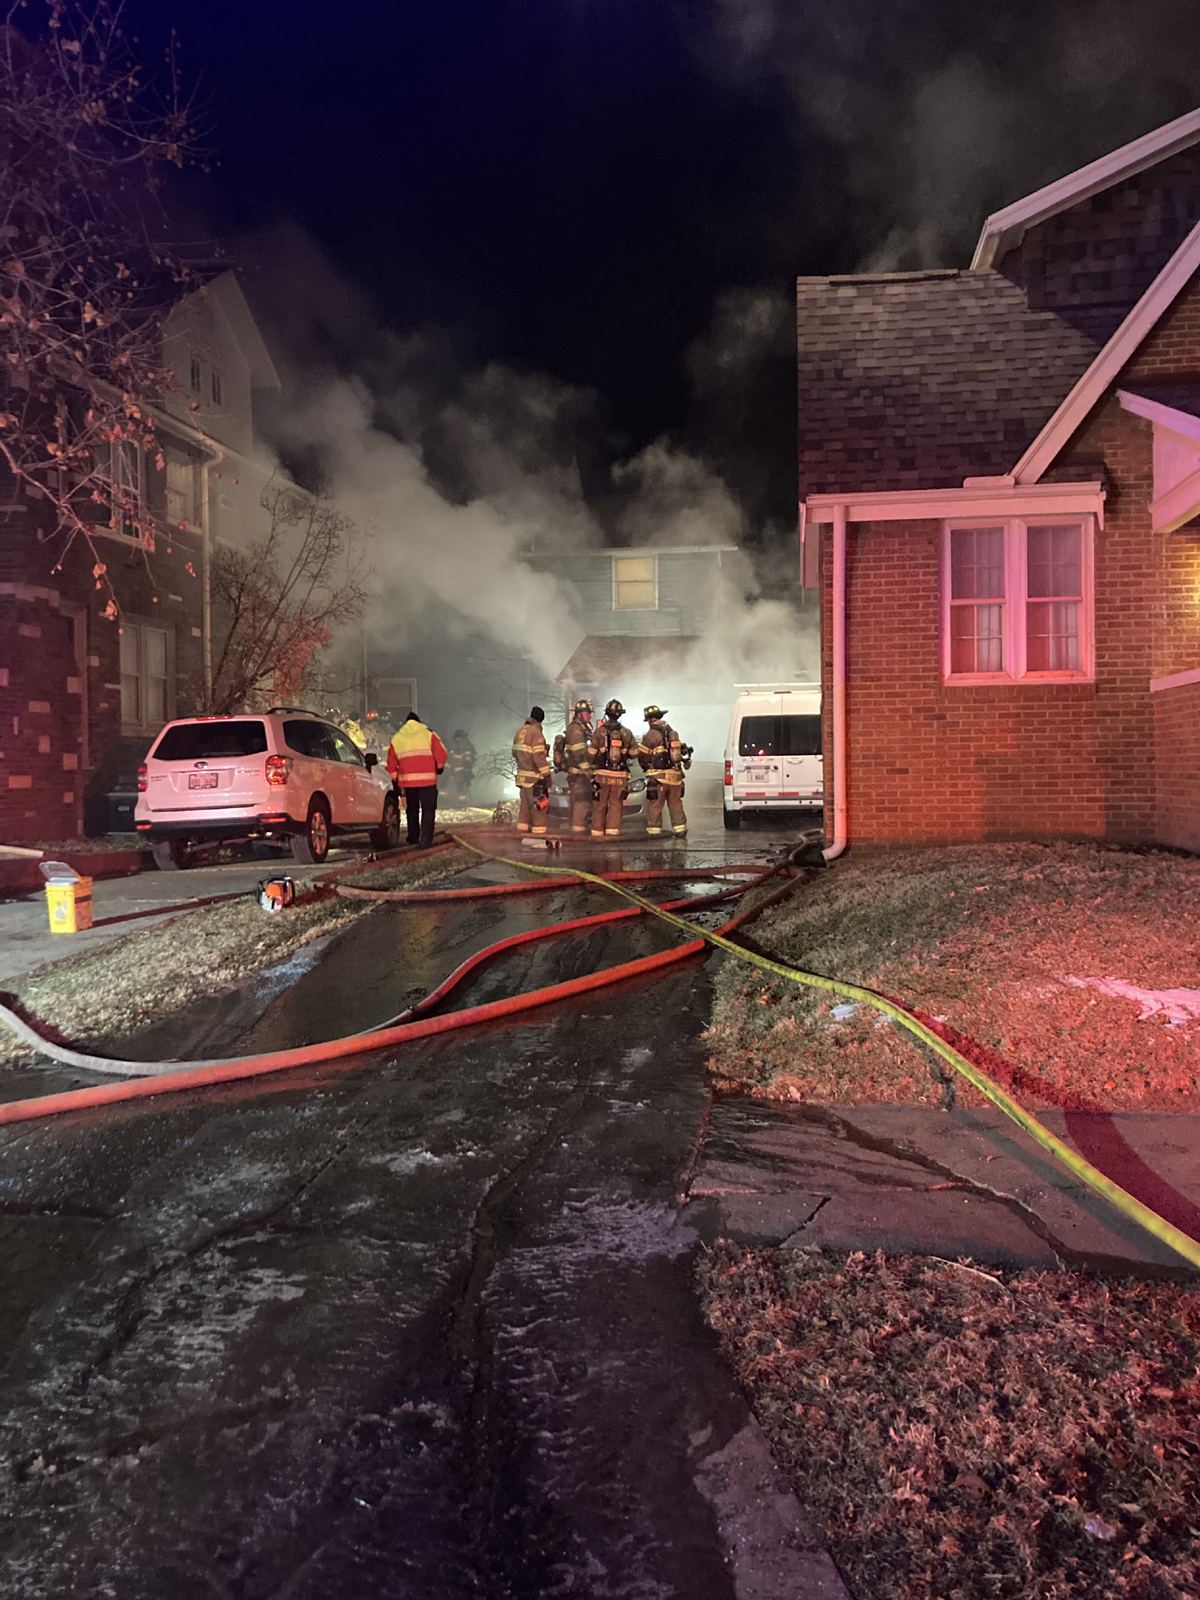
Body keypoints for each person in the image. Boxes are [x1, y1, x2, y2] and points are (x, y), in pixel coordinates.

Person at [387, 711, 447, 848]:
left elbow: (391, 765)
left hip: (408, 783)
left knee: (412, 810)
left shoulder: (397, 738)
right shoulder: (429, 735)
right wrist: (439, 768)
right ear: (419, 723)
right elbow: (441, 755)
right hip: (428, 781)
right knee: (428, 810)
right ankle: (426, 840)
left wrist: (395, 781)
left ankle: (413, 837)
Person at [638, 704, 692, 837]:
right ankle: (680, 830)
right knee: (676, 804)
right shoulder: (672, 733)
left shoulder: (650, 735)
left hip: (659, 779)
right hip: (676, 778)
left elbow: (643, 756)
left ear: (650, 720)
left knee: (655, 805)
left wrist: (644, 765)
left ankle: (654, 832)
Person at [588, 698, 636, 838]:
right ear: (620, 714)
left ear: (607, 714)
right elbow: (635, 753)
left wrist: (591, 766)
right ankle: (612, 833)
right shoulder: (627, 733)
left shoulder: (599, 731)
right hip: (620, 777)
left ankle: (597, 833)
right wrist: (625, 752)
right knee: (616, 805)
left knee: (600, 804)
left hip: (602, 775)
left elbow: (591, 754)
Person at [553, 698, 595, 835]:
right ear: (579, 714)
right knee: (581, 804)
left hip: (579, 774)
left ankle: (575, 830)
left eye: (590, 713)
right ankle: (578, 835)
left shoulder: (582, 729)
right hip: (579, 774)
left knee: (578, 803)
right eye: (587, 713)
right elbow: (579, 753)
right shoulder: (576, 729)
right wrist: (588, 770)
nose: (589, 716)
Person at [512, 706, 551, 835]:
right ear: (540, 721)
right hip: (534, 779)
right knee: (539, 808)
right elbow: (538, 756)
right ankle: (538, 837)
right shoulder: (536, 733)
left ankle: (521, 835)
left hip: (522, 778)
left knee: (525, 808)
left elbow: (514, 753)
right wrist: (547, 775)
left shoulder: (519, 731)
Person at [444, 729, 476, 806]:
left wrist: (466, 765)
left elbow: (470, 757)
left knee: (460, 784)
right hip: (452, 769)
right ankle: (445, 800)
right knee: (447, 784)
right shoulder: (452, 744)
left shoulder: (465, 745)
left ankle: (462, 801)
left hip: (460, 770)